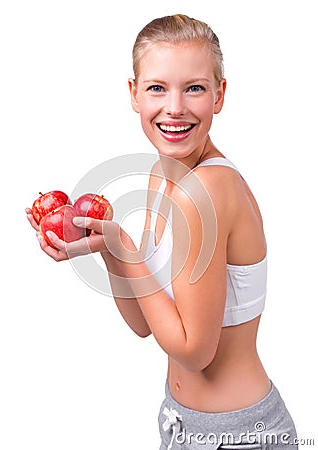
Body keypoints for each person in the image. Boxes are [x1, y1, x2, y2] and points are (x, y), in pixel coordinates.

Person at [26, 14, 298, 450]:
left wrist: (123, 244)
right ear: (133, 94)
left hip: (238, 436)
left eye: (194, 88)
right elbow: (145, 324)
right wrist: (107, 246)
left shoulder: (205, 191)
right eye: (157, 88)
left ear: (219, 95)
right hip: (181, 422)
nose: (175, 107)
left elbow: (193, 351)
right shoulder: (162, 175)